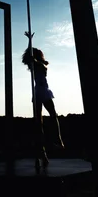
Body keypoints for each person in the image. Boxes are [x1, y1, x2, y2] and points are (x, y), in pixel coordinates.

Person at [22, 31, 65, 168]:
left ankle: (56, 141)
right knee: (40, 122)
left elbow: (31, 57)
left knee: (50, 117)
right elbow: (29, 55)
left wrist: (31, 44)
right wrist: (30, 40)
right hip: (40, 91)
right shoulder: (35, 64)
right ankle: (44, 150)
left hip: (41, 91)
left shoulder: (40, 64)